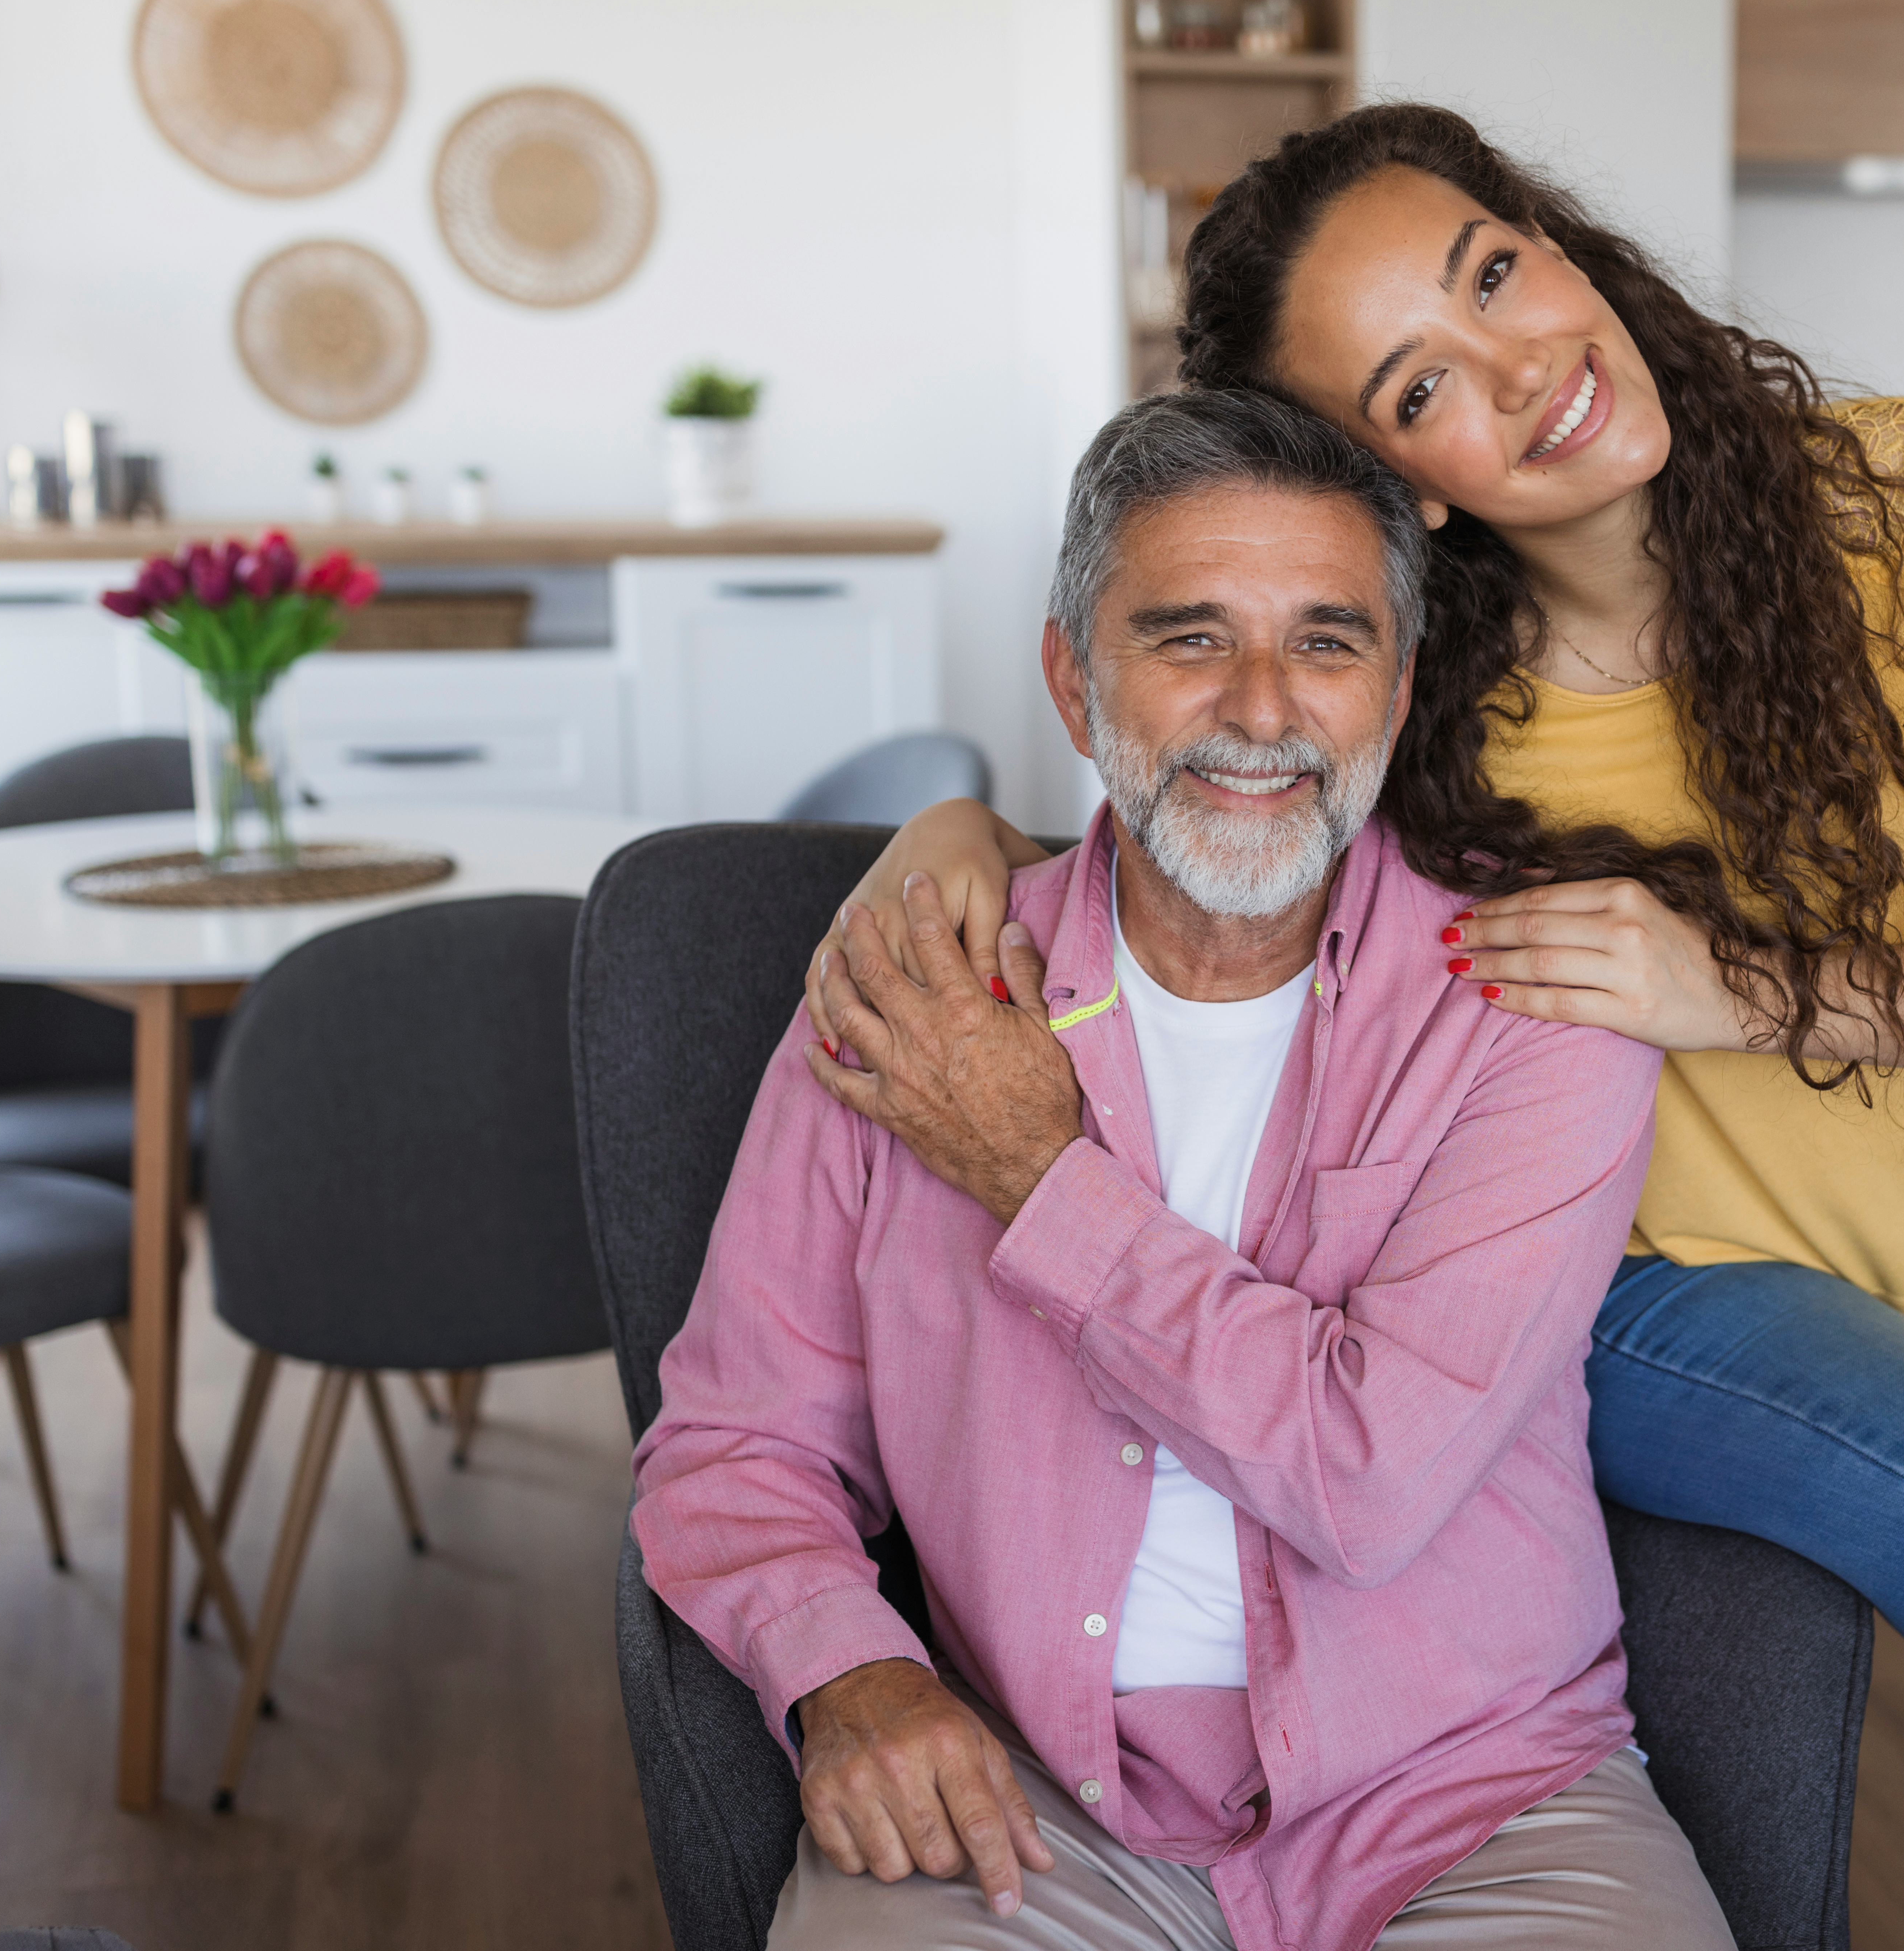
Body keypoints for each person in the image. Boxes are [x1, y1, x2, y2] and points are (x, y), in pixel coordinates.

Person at [806, 106, 1904, 1951]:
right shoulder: (1423, 712)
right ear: (1397, 487)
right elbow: (1190, 791)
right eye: (1423, 388)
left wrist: (1728, 988)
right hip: (1668, 1291)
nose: (1525, 367)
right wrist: (943, 834)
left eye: (1497, 272)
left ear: (1554, 237)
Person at [635, 387, 1733, 1951]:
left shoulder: (1532, 1002)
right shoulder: (912, 986)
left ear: (1401, 687)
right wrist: (849, 1674)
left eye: (1328, 642)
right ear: (1073, 681)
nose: (1264, 710)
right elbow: (736, 1436)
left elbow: (1365, 1478)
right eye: (1191, 637)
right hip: (1027, 1802)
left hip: (1475, 1791)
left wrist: (1032, 1168)